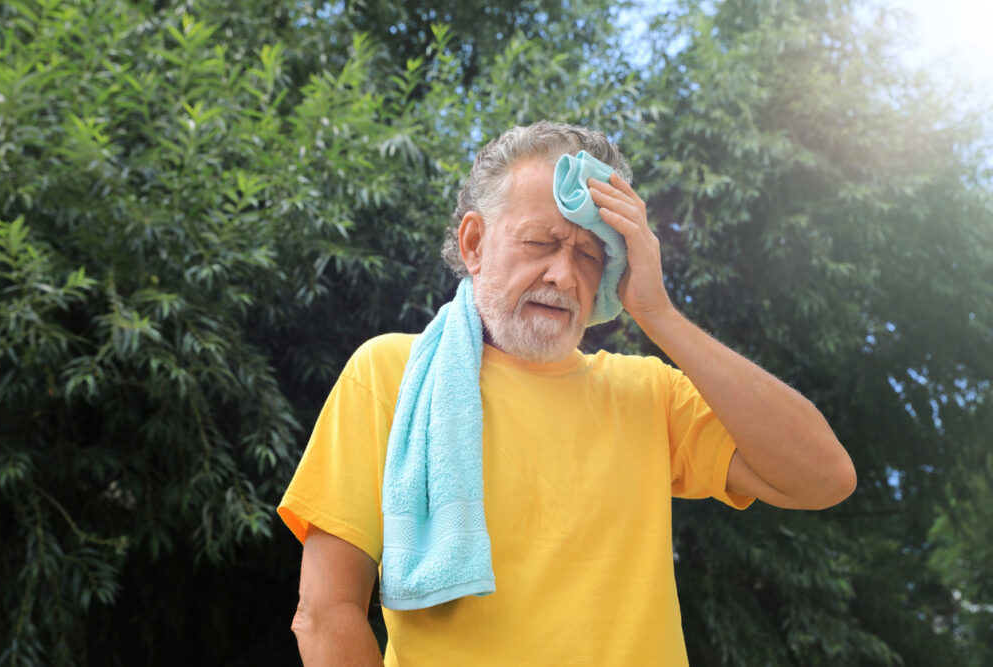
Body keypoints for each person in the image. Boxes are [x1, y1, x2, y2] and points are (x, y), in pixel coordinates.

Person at [278, 121, 856, 665]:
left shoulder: (647, 394)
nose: (563, 274)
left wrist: (660, 315)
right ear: (475, 243)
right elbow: (326, 613)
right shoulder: (391, 374)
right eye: (540, 242)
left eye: (589, 255)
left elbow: (823, 477)